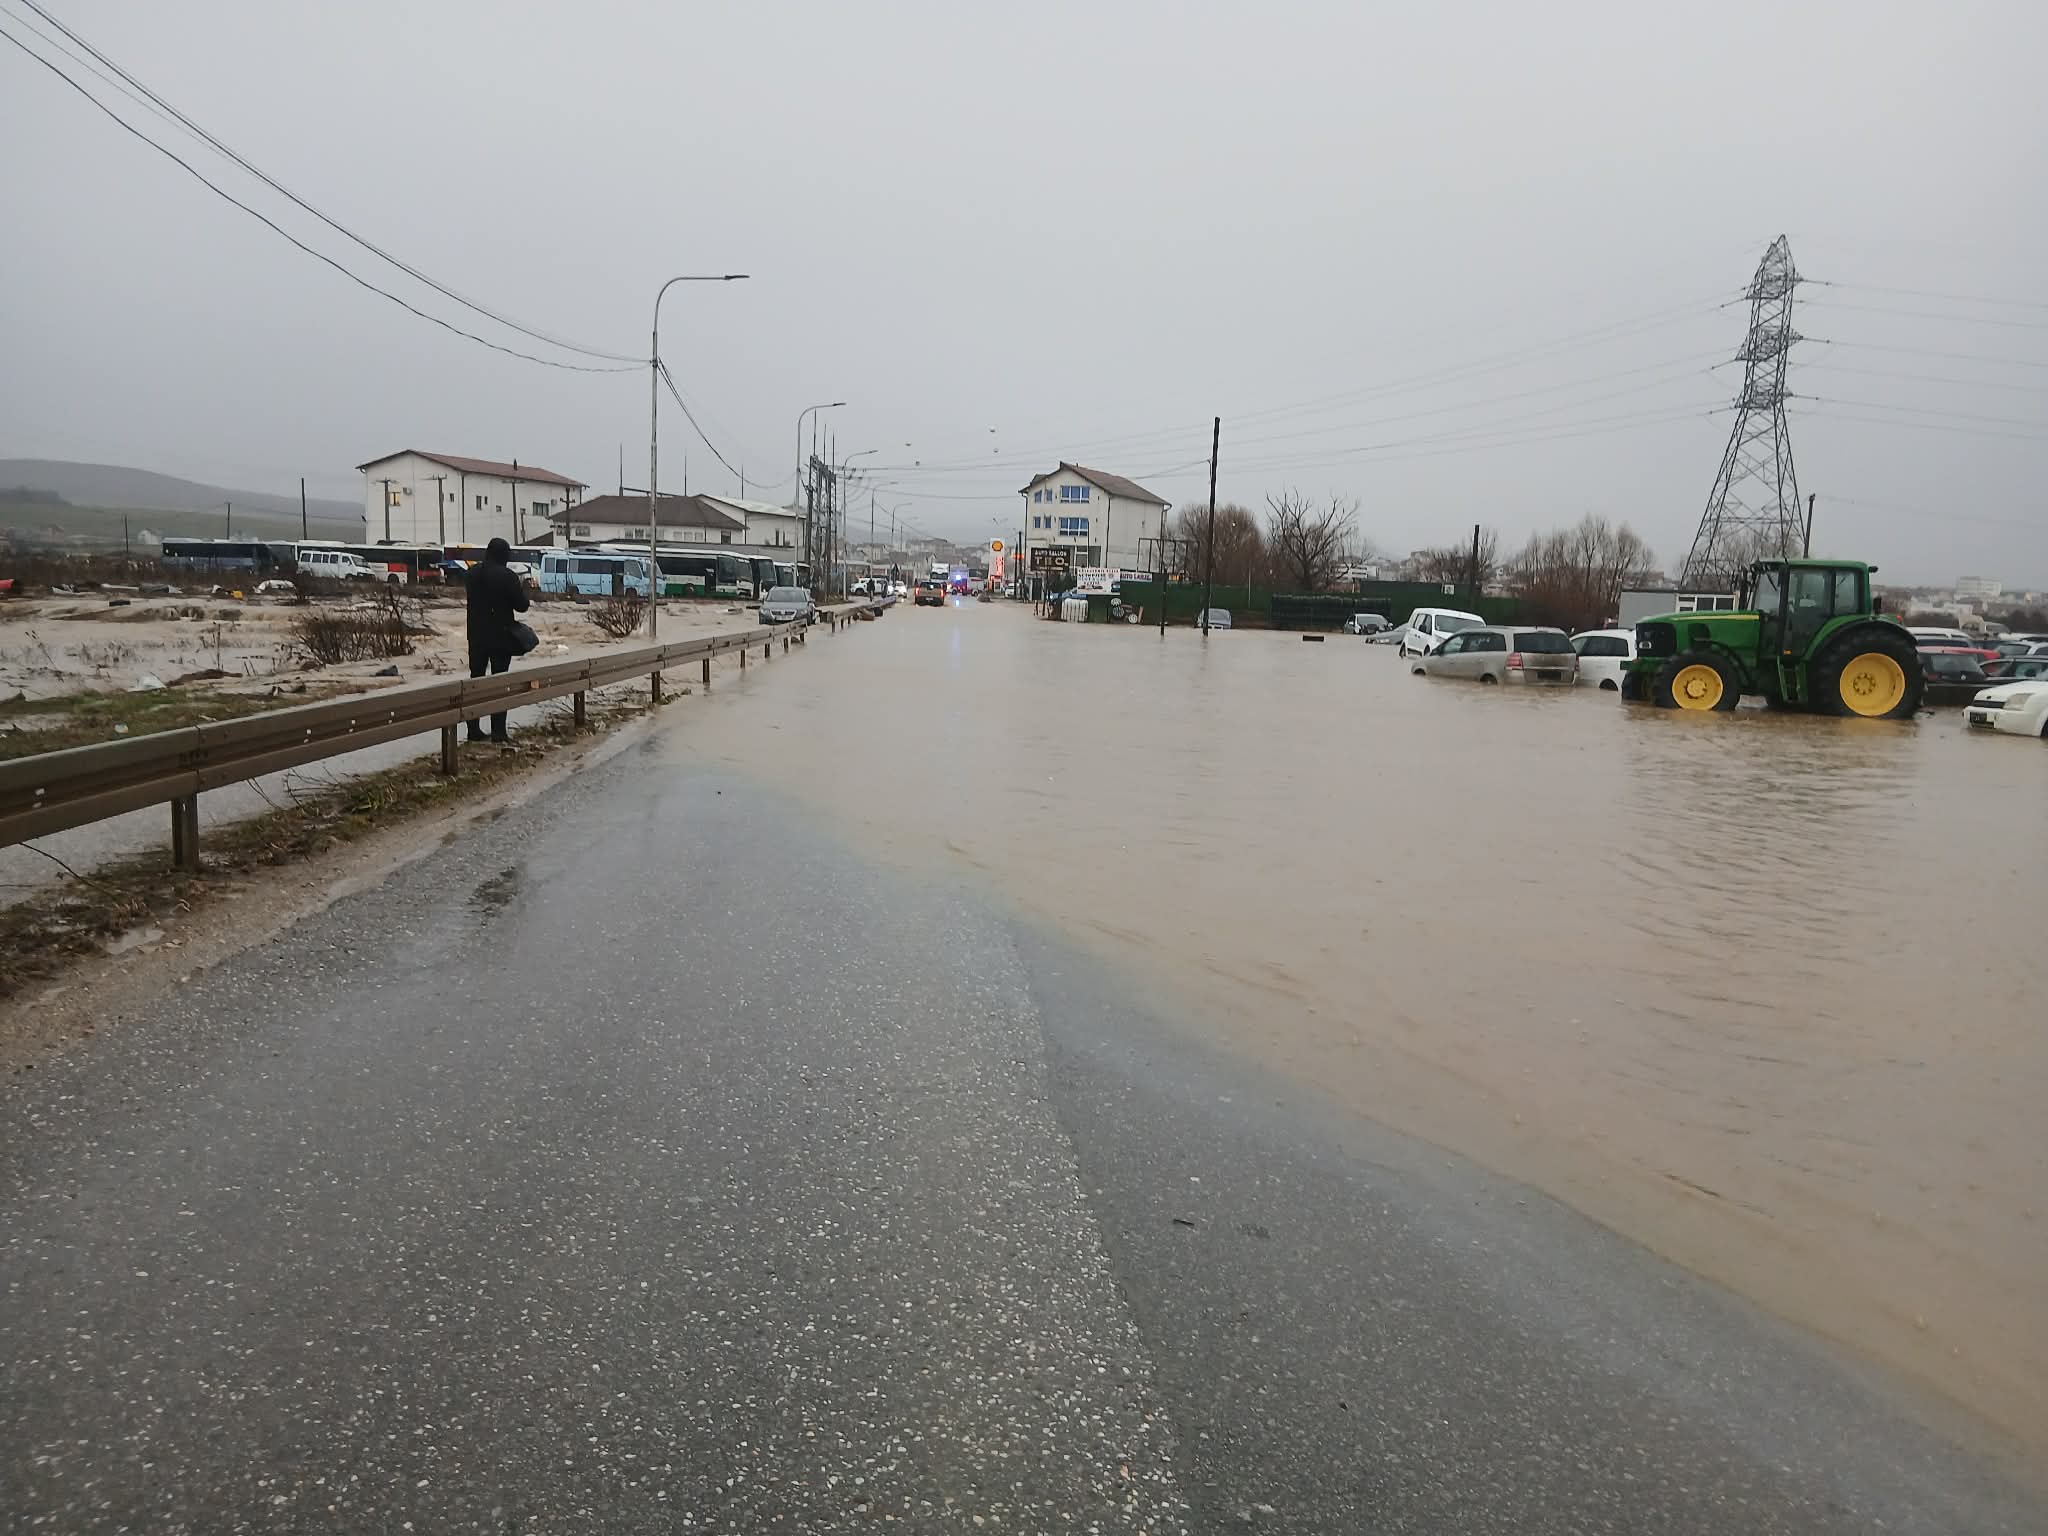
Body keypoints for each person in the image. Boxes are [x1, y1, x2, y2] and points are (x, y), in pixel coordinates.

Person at [465, 537, 529, 743]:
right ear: (504, 555)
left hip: (475, 636)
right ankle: (498, 732)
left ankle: (473, 729)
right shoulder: (507, 576)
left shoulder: (472, 573)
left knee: (476, 681)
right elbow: (521, 606)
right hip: (501, 637)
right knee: (500, 684)